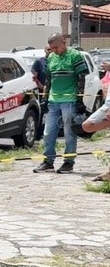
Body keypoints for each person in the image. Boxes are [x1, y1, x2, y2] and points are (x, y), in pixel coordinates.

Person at [34, 32, 88, 174]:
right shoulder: (51, 57)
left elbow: (82, 77)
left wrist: (79, 99)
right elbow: (48, 79)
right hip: (53, 101)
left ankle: (68, 162)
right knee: (48, 133)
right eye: (51, 48)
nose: (54, 50)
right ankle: (48, 161)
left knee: (69, 133)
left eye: (56, 47)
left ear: (64, 42)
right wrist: (45, 98)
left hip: (69, 101)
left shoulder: (75, 56)